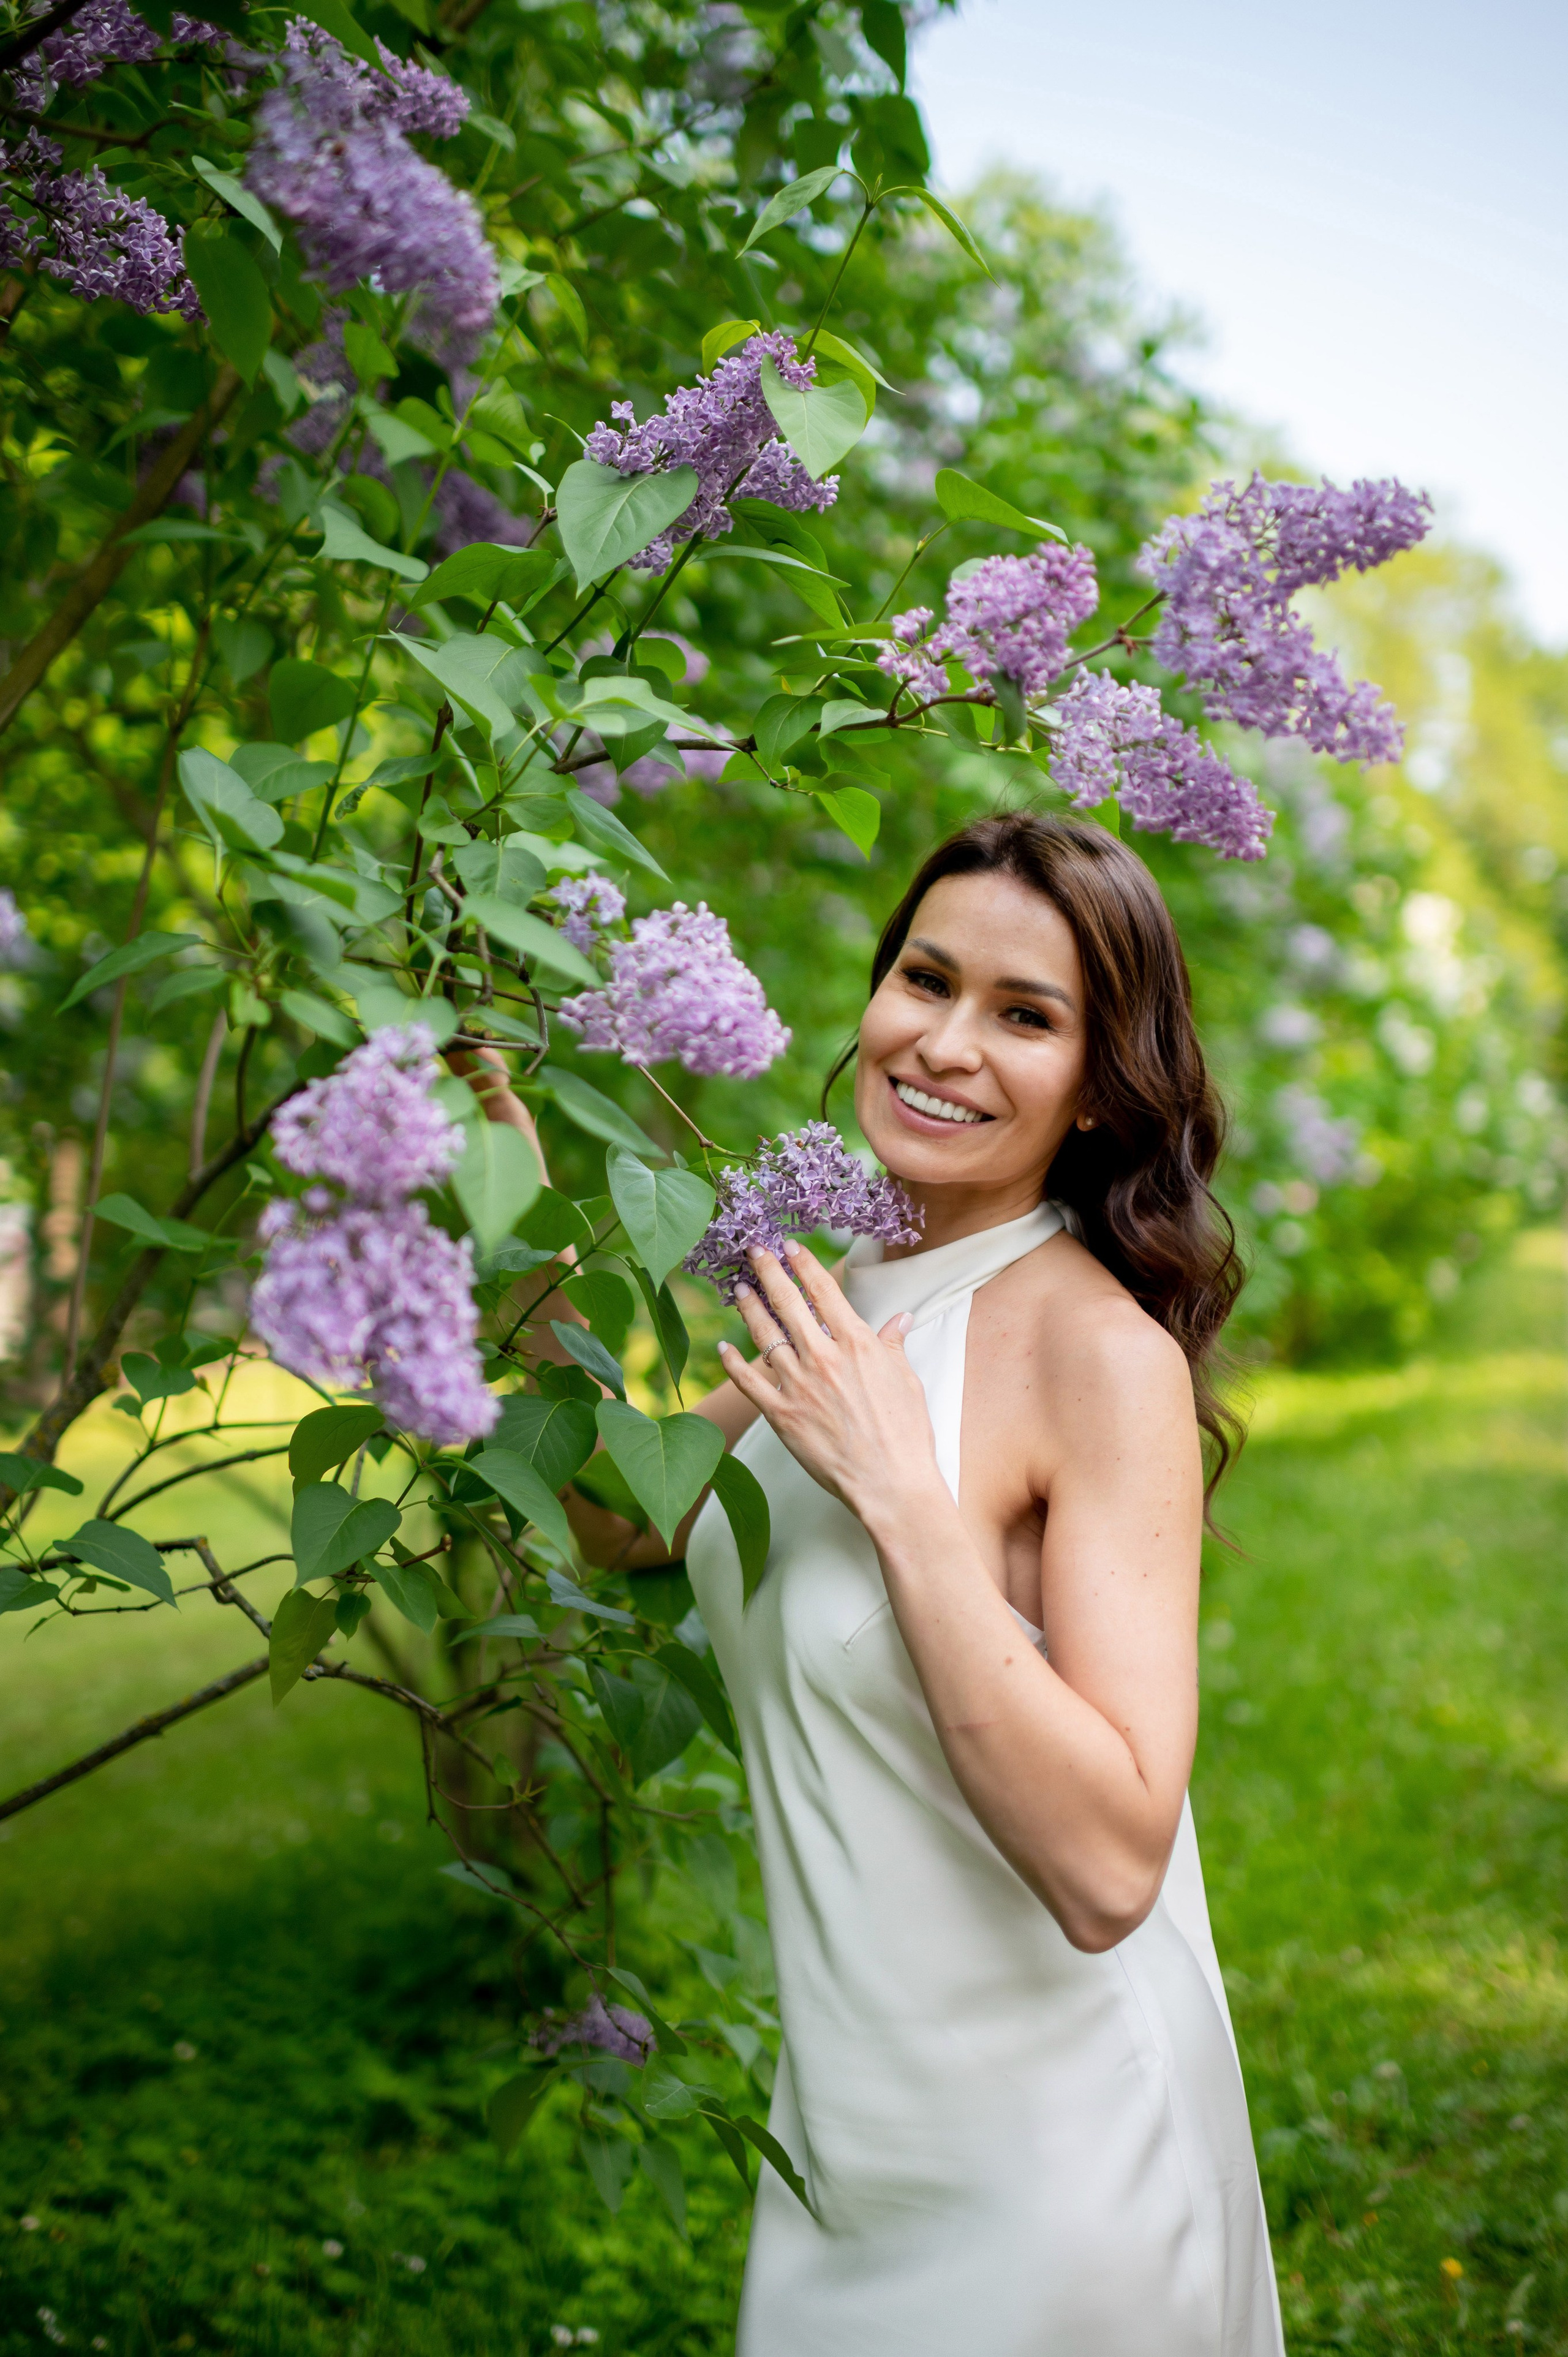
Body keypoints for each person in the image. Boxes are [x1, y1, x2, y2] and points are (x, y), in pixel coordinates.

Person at [470, 810, 1284, 2357]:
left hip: (1055, 2182)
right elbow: (624, 1517)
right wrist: (511, 1208)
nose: (945, 1043)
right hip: (849, 2154)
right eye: (926, 978)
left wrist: (905, 1498)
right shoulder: (847, 1294)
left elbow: (1113, 1870)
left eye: (1025, 1015)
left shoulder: (1096, 1356)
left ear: (1101, 1092)